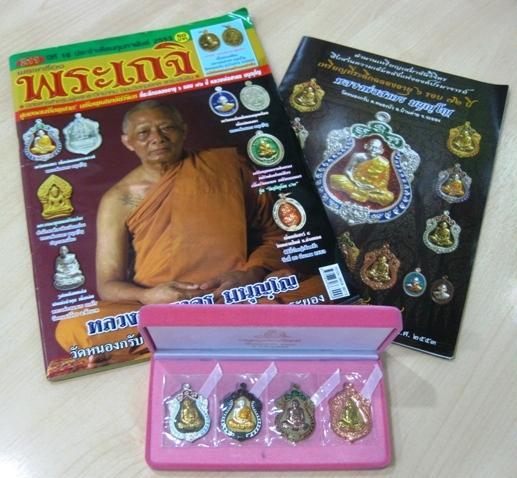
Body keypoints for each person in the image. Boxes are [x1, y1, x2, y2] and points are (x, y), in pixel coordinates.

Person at [55, 100, 322, 363]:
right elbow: (108, 284)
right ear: (128, 142)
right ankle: (238, 328)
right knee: (74, 324)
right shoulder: (117, 200)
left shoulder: (226, 165)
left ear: (183, 130)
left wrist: (251, 274)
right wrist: (148, 296)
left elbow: (275, 234)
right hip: (162, 306)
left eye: (166, 127)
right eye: (144, 133)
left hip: (235, 294)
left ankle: (184, 335)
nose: (157, 138)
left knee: (322, 287)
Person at [330, 138, 395, 207]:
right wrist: (356, 182)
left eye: (377, 148)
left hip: (370, 189)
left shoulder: (384, 163)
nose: (374, 150)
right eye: (372, 146)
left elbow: (384, 181)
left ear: (381, 151)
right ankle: (363, 194)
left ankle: (359, 193)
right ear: (366, 146)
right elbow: (347, 170)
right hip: (354, 183)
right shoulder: (358, 156)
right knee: (336, 178)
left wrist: (373, 187)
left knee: (389, 197)